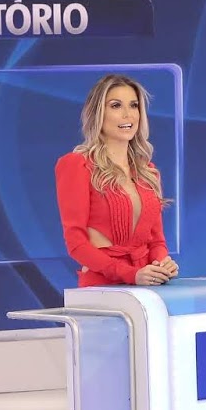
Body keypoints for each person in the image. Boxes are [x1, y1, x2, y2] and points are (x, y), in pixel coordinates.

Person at [54, 73, 180, 287]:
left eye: (134, 105)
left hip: (146, 285)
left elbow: (157, 241)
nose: (127, 114)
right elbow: (76, 244)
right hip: (103, 286)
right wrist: (130, 274)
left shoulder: (148, 172)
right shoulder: (77, 165)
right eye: (116, 106)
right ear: (98, 113)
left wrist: (161, 264)